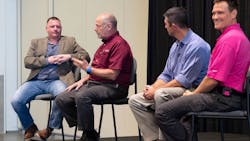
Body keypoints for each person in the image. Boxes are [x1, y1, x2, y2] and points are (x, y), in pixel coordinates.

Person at [155, 0, 250, 141]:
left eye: (220, 12)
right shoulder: (236, 36)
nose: (215, 17)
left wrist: (193, 94)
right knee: (179, 109)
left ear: (234, 13)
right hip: (227, 96)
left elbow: (212, 79)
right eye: (213, 13)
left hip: (224, 98)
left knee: (163, 112)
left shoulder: (230, 40)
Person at [128, 7, 211, 141]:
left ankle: (165, 139)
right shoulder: (176, 45)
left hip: (193, 90)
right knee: (135, 101)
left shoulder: (197, 46)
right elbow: (166, 74)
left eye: (166, 24)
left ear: (174, 26)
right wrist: (152, 88)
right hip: (176, 88)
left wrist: (156, 90)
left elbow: (184, 80)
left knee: (161, 95)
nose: (165, 27)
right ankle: (155, 137)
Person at [55, 13, 133, 141]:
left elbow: (113, 74)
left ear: (108, 26)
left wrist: (88, 69)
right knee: (61, 99)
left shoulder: (119, 44)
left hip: (114, 86)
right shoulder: (104, 45)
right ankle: (90, 132)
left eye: (97, 26)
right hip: (95, 84)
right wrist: (83, 80)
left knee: (82, 96)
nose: (95, 29)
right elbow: (97, 71)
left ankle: (88, 135)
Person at [11, 16, 90, 140]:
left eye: (58, 26)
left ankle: (50, 128)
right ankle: (30, 126)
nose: (56, 29)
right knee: (16, 100)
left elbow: (85, 56)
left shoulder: (70, 41)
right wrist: (47, 60)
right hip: (36, 81)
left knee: (62, 96)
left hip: (58, 80)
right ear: (46, 29)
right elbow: (27, 61)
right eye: (52, 26)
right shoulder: (36, 42)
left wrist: (68, 56)